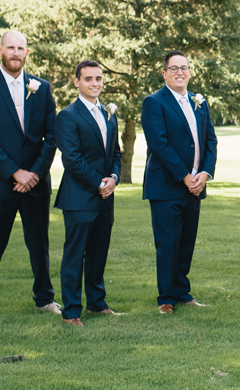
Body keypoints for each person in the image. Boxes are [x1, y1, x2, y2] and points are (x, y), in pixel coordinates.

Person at [0, 30, 59, 324]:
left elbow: (51, 136)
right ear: (0, 50)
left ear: (27, 53)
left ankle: (44, 299)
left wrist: (34, 173)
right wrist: (14, 171)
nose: (16, 53)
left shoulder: (41, 88)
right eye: (11, 47)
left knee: (39, 246)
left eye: (21, 48)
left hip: (35, 183)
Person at [141, 51, 217, 314]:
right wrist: (186, 176)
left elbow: (211, 141)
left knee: (186, 241)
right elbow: (159, 144)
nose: (179, 73)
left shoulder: (200, 102)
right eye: (173, 68)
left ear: (190, 71)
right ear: (164, 73)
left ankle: (183, 292)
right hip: (166, 185)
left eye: (184, 68)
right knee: (167, 243)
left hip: (196, 185)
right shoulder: (154, 102)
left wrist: (204, 174)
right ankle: (166, 298)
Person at [53, 60, 123, 326]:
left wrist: (113, 179)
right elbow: (71, 159)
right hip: (79, 196)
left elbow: (115, 153)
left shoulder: (109, 113)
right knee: (76, 254)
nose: (95, 84)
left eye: (98, 79)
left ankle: (96, 303)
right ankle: (71, 311)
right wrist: (99, 183)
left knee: (98, 252)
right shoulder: (68, 116)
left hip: (106, 197)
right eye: (89, 79)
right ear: (77, 82)